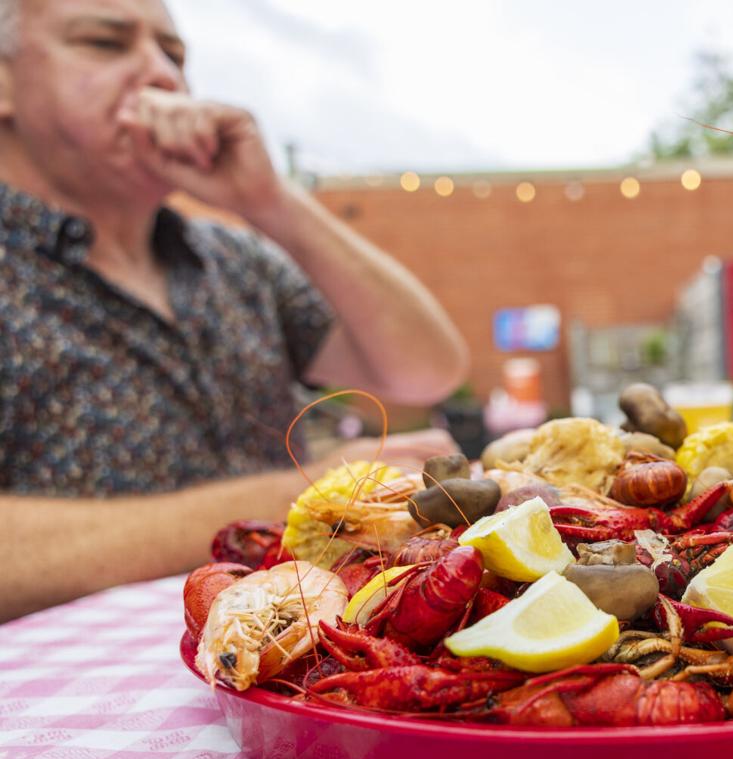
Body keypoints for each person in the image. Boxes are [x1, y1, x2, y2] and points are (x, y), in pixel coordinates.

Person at [0, 0, 470, 621]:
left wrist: (272, 202)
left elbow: (428, 368)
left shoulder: (236, 258)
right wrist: (297, 494)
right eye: (104, 42)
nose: (162, 74)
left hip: (293, 666)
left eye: (174, 54)